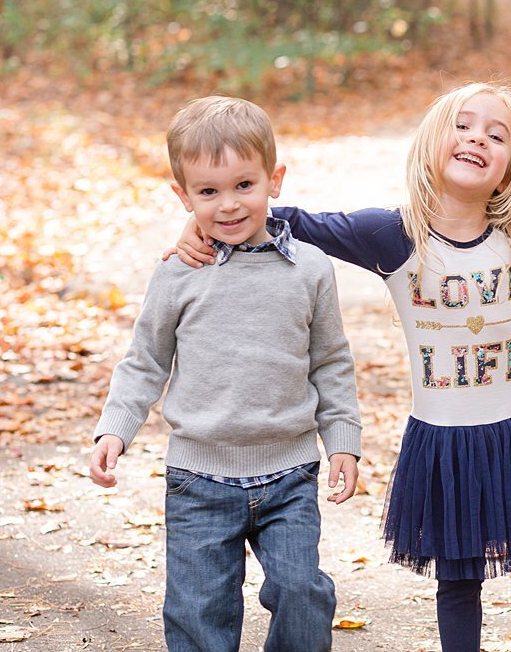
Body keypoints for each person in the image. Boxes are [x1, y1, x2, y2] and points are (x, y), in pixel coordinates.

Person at [173, 83, 511, 652]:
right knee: (458, 577)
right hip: (448, 437)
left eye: (497, 134)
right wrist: (203, 223)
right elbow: (287, 218)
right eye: (463, 126)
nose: (477, 139)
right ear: (431, 143)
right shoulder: (390, 235)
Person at [89, 96, 363, 652]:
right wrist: (114, 428)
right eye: (208, 192)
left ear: (274, 180)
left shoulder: (310, 269)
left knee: (302, 590)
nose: (229, 204)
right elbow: (145, 360)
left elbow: (331, 362)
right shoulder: (177, 273)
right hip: (199, 478)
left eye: (244, 185)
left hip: (289, 473)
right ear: (183, 196)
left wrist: (343, 441)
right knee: (198, 611)